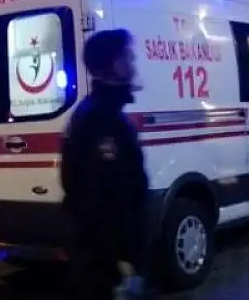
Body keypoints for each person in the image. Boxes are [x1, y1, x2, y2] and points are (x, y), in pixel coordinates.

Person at [60, 29, 150, 300]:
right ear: (113, 65)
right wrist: (123, 259)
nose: (132, 63)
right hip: (104, 265)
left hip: (107, 260)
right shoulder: (98, 120)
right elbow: (104, 196)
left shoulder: (107, 115)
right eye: (127, 57)